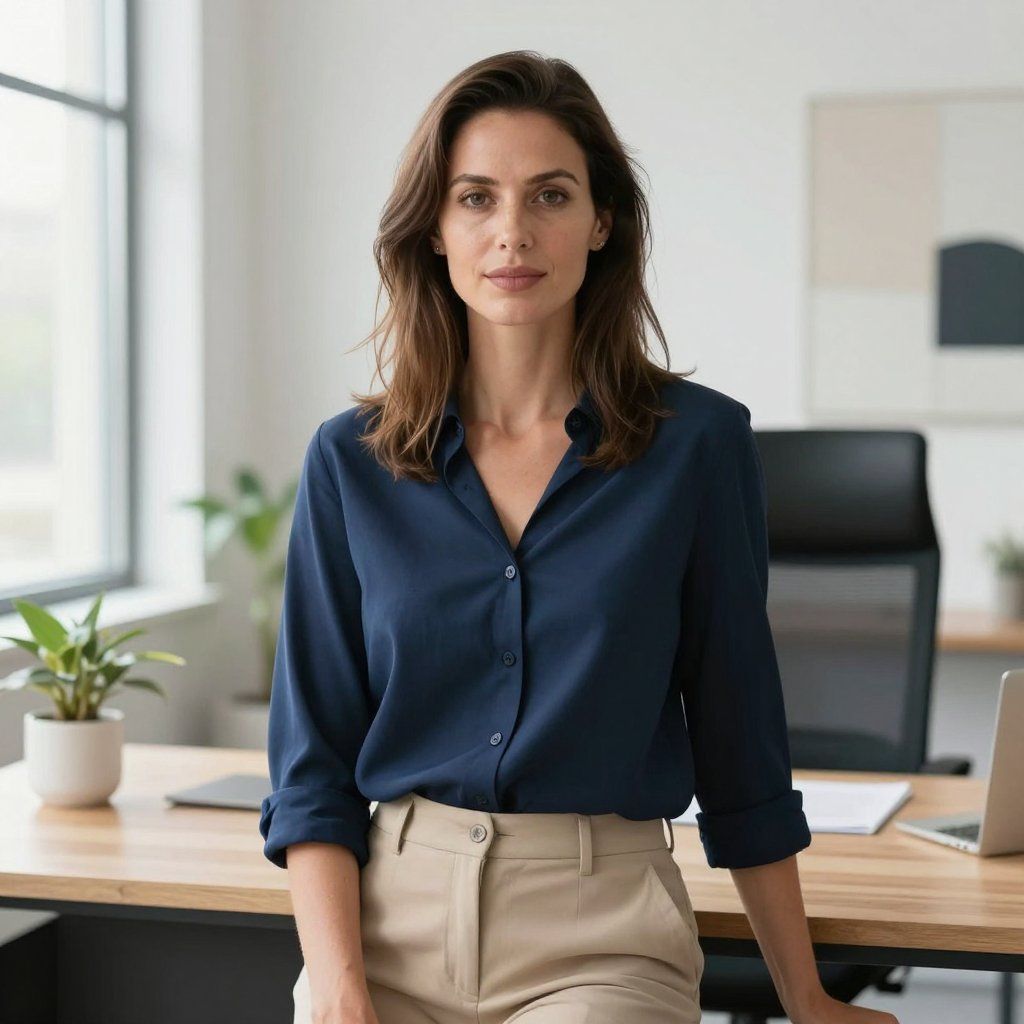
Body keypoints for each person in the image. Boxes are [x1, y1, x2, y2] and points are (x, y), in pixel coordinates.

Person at [258, 50, 900, 1024]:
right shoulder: (351, 462)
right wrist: (341, 992)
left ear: (601, 221)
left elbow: (738, 741)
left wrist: (803, 993)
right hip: (387, 926)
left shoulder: (697, 447)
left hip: (600, 934)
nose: (511, 232)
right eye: (475, 197)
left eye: (549, 195)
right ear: (433, 226)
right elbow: (311, 767)